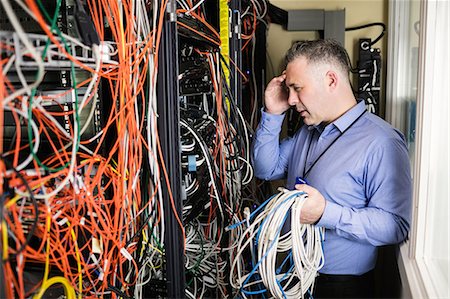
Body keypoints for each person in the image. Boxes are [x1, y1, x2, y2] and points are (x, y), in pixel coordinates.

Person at [252, 39, 412, 298]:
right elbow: (266, 169)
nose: (291, 99)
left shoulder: (382, 142)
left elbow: (396, 225)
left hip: (341, 287)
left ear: (331, 80)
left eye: (297, 88)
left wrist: (325, 213)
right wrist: (272, 113)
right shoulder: (309, 132)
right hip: (294, 275)